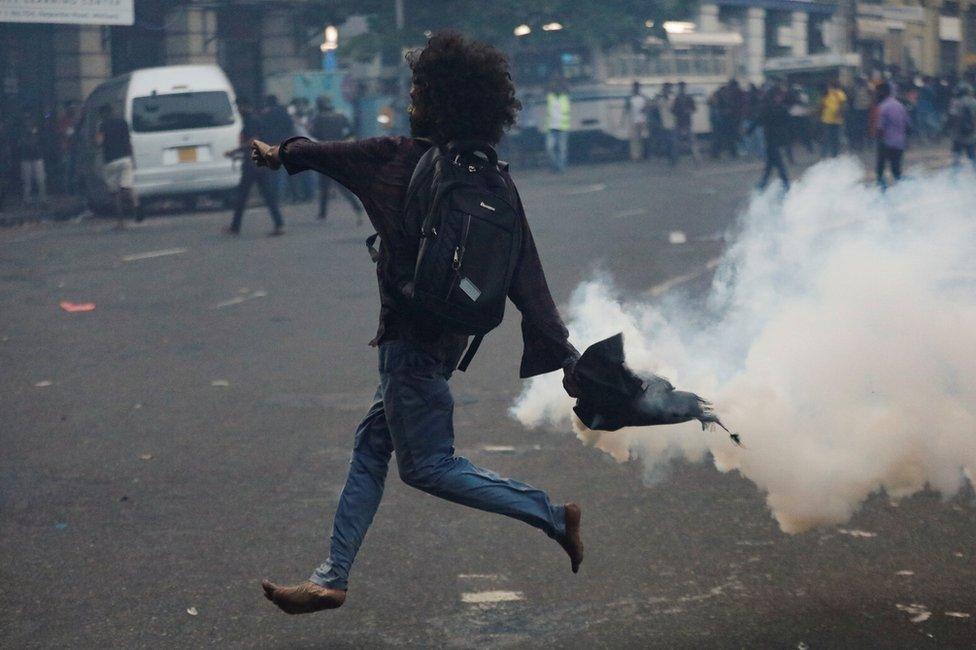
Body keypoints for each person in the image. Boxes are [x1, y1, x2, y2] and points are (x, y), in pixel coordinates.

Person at [252, 30, 584, 615]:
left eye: (416, 89)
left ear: (429, 99)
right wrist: (564, 353)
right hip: (447, 340)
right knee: (371, 443)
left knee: (429, 466)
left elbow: (319, 153)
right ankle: (331, 577)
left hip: (408, 343)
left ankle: (550, 514)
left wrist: (279, 153)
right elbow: (528, 279)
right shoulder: (493, 178)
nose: (410, 98)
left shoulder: (393, 158)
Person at [224, 97, 284, 236]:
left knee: (242, 195)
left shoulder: (250, 120)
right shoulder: (256, 119)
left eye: (238, 107)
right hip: (260, 162)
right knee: (267, 195)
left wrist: (234, 151)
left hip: (252, 164)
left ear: (244, 106)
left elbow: (253, 141)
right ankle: (279, 224)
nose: (237, 110)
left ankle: (235, 227)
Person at [309, 96, 364, 225]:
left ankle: (322, 214)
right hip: (339, 153)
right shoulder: (340, 116)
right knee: (342, 185)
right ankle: (357, 208)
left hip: (324, 154)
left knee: (323, 186)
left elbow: (314, 134)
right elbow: (351, 132)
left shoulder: (319, 118)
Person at [95, 105, 139, 227]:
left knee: (115, 193)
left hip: (111, 161)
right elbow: (129, 141)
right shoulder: (123, 122)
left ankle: (120, 222)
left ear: (102, 114)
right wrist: (132, 156)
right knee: (128, 186)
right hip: (125, 158)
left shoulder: (102, 125)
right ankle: (136, 205)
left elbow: (99, 142)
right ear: (113, 111)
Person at [749, 85, 790, 190]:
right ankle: (785, 184)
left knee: (771, 164)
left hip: (773, 137)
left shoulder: (774, 107)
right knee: (777, 163)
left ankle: (763, 184)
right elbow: (759, 120)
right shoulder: (770, 107)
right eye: (779, 96)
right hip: (772, 138)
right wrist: (749, 130)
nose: (780, 98)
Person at [874, 82, 910, 187]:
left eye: (877, 92)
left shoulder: (883, 107)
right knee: (896, 170)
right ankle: (899, 191)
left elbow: (880, 128)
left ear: (882, 92)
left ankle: (882, 191)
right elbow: (908, 124)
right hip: (899, 143)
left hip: (887, 143)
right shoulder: (900, 106)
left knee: (881, 169)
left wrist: (879, 141)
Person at [18, 114, 47, 205]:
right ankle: (27, 200)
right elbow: (21, 143)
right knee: (27, 181)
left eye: (30, 120)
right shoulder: (21, 132)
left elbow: (41, 141)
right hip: (26, 158)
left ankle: (43, 200)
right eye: (27, 120)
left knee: (40, 180)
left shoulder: (38, 131)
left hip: (37, 157)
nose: (28, 122)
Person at [545, 77, 571, 172]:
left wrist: (562, 81)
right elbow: (547, 88)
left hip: (562, 128)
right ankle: (556, 166)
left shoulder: (565, 98)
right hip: (551, 127)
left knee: (562, 150)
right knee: (549, 149)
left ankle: (560, 168)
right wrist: (553, 81)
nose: (557, 89)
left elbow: (568, 88)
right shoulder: (550, 97)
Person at [947, 82, 976, 169]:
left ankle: (954, 177)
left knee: (956, 156)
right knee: (972, 156)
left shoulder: (954, 102)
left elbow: (951, 116)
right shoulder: (973, 102)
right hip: (971, 134)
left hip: (957, 133)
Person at [672, 81, 701, 163]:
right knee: (689, 141)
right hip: (683, 121)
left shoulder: (681, 98)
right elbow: (694, 109)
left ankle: (695, 158)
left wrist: (687, 111)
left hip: (683, 121)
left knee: (686, 141)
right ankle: (695, 158)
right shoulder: (683, 98)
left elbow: (694, 109)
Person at [819, 80, 847, 157]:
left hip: (828, 119)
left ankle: (826, 154)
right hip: (834, 119)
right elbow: (843, 105)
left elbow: (822, 106)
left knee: (828, 138)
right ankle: (833, 154)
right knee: (834, 138)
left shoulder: (832, 93)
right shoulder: (838, 93)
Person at [622, 81, 649, 161]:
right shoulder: (630, 98)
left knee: (643, 138)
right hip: (633, 120)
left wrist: (645, 109)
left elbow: (647, 107)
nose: (636, 88)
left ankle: (643, 155)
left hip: (643, 120)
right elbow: (626, 108)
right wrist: (623, 120)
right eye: (635, 87)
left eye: (637, 87)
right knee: (634, 140)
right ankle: (635, 156)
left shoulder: (643, 97)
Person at [654, 82, 677, 165]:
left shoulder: (673, 98)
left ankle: (674, 159)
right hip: (663, 124)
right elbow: (655, 109)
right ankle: (670, 158)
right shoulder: (659, 99)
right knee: (667, 143)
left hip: (673, 123)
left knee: (673, 143)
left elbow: (676, 109)